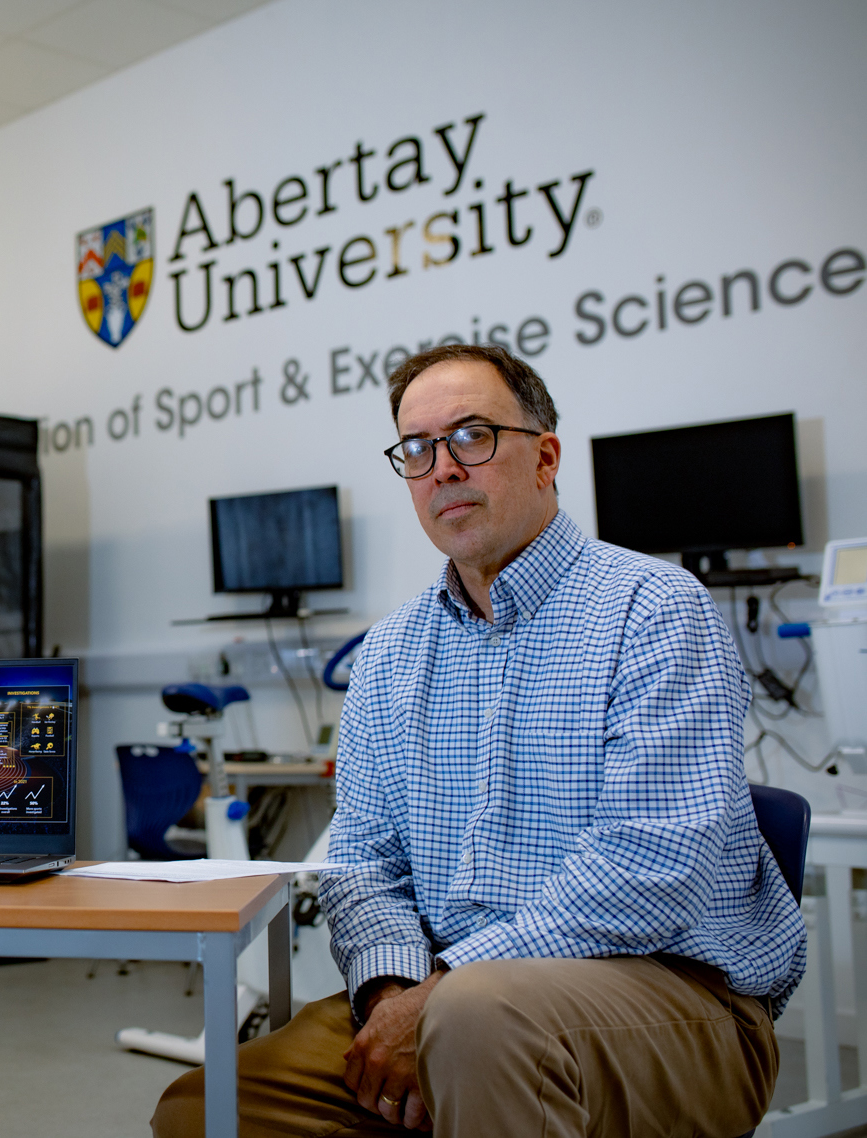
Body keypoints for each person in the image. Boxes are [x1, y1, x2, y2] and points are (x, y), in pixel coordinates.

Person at [152, 344, 804, 1137]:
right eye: (417, 449)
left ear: (544, 457)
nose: (441, 468)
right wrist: (394, 995)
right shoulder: (390, 655)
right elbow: (361, 862)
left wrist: (447, 991)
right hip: (442, 997)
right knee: (204, 1111)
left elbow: (653, 866)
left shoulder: (654, 609)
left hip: (673, 997)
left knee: (476, 1020)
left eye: (471, 436)